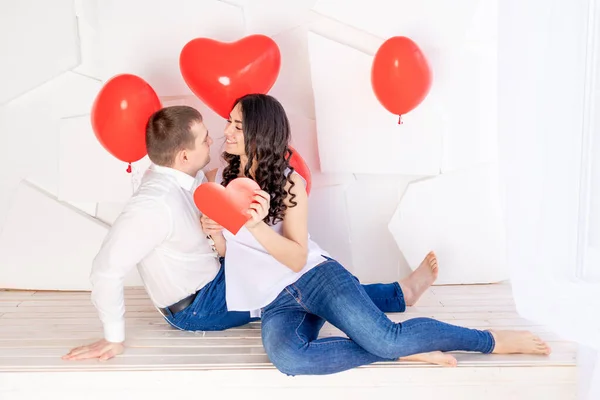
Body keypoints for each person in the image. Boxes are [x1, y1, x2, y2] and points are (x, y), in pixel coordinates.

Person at [200, 93, 552, 376]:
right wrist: (216, 236)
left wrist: (255, 225)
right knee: (290, 360)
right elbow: (236, 257)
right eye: (229, 123)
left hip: (314, 278)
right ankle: (404, 355)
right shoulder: (219, 181)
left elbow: (294, 256)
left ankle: (488, 340)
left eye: (237, 125)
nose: (227, 132)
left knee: (387, 337)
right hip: (275, 299)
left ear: (261, 133)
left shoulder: (290, 182)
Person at [62, 105, 436, 362]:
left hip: (215, 276)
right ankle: (389, 329)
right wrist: (113, 336)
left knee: (299, 267)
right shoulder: (151, 205)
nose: (216, 140)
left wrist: (219, 232)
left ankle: (397, 297)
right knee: (298, 280)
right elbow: (105, 269)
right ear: (183, 156)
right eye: (205, 139)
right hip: (199, 306)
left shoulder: (183, 178)